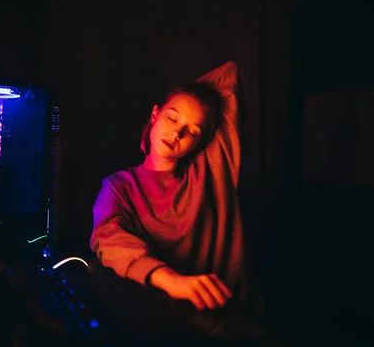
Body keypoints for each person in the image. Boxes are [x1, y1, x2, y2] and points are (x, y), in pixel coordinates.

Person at [91, 61, 260, 313]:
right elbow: (109, 240)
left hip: (232, 318)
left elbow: (230, 74)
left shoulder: (212, 171)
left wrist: (197, 105)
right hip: (164, 320)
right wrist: (171, 280)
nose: (177, 133)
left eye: (192, 131)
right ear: (154, 114)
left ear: (200, 143)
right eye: (172, 117)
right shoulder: (119, 186)